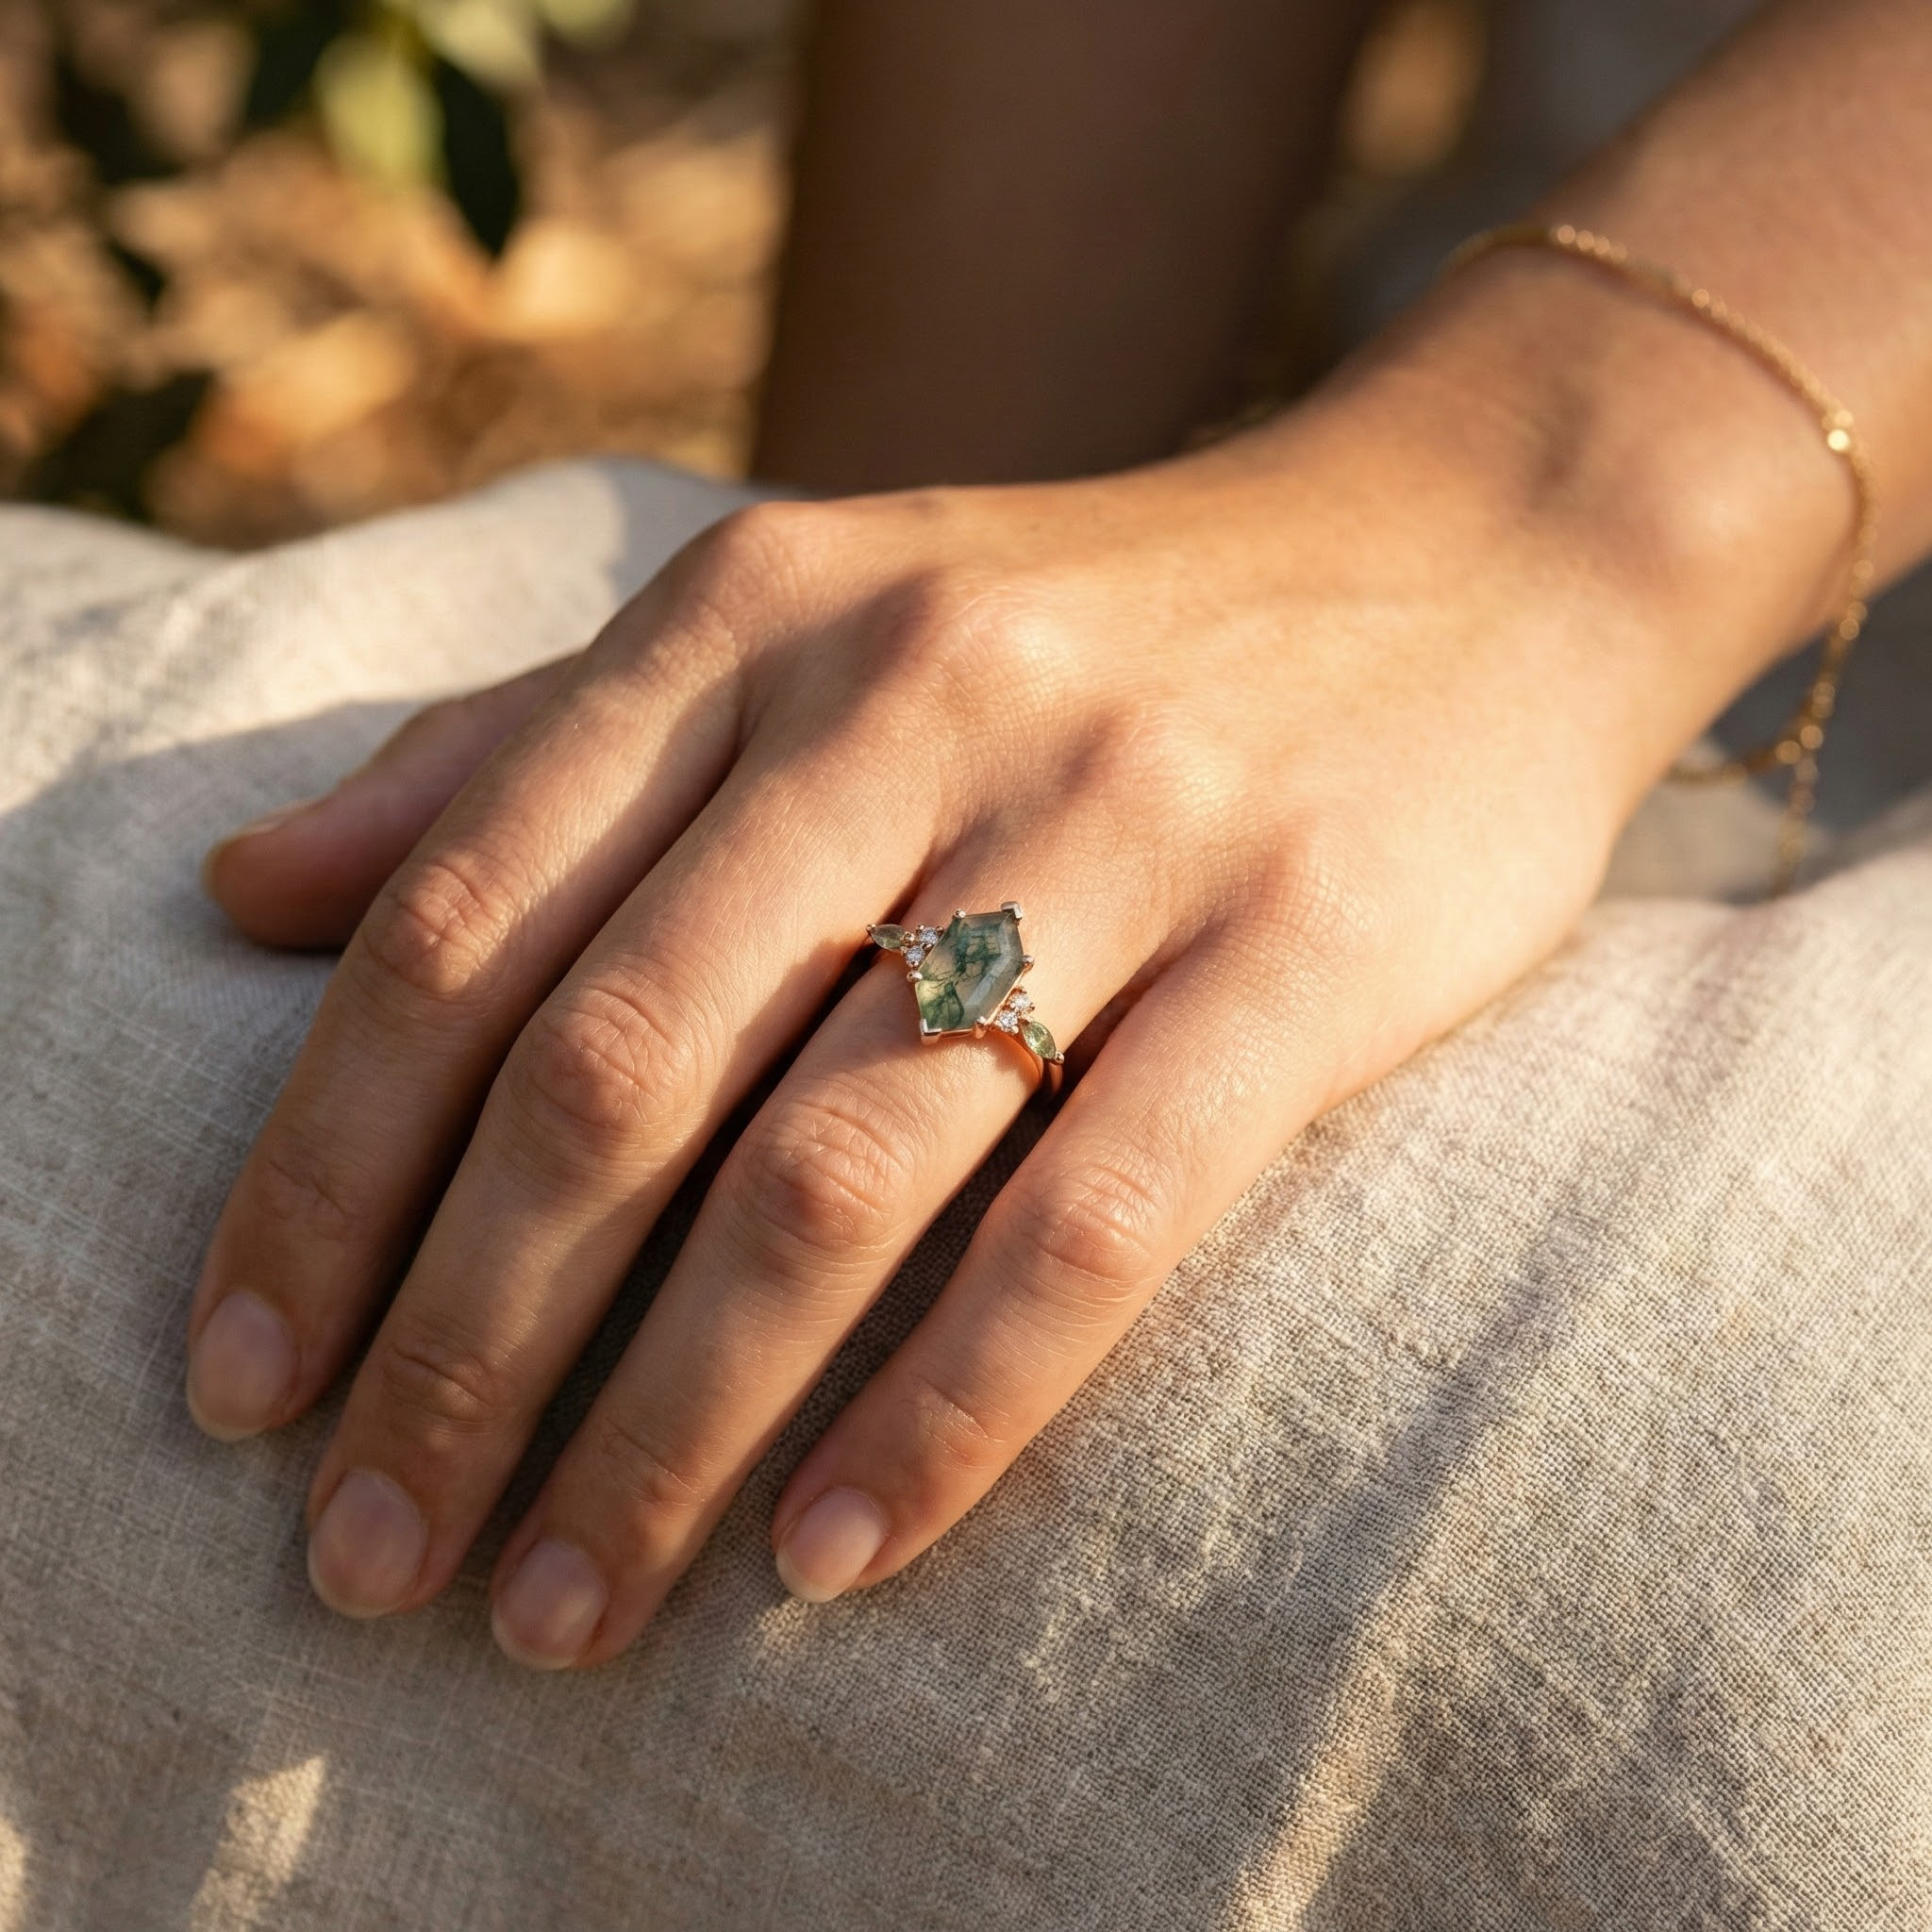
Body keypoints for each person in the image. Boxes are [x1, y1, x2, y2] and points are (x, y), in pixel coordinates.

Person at [5, 1, 1931, 1924]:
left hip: (1645, 472)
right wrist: (935, 659)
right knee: (212, 1048)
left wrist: (1533, 510)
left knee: (1737, 1639)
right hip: (1402, 490)